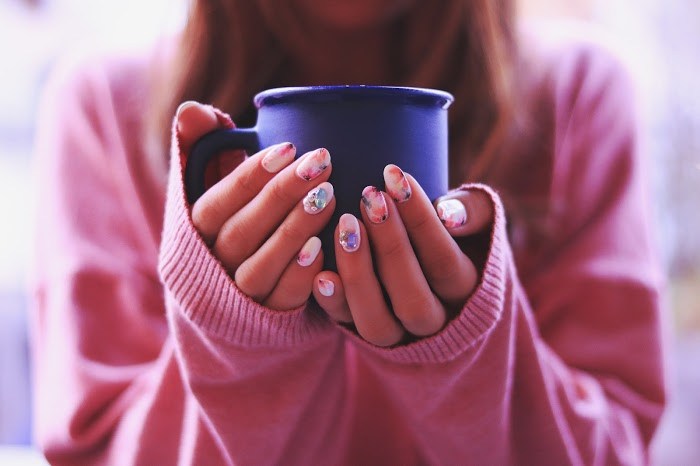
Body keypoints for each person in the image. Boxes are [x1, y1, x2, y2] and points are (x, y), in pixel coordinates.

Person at [30, 0, 667, 464]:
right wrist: (235, 345)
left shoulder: (577, 97)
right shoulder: (107, 109)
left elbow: (617, 452)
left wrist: (467, 352)